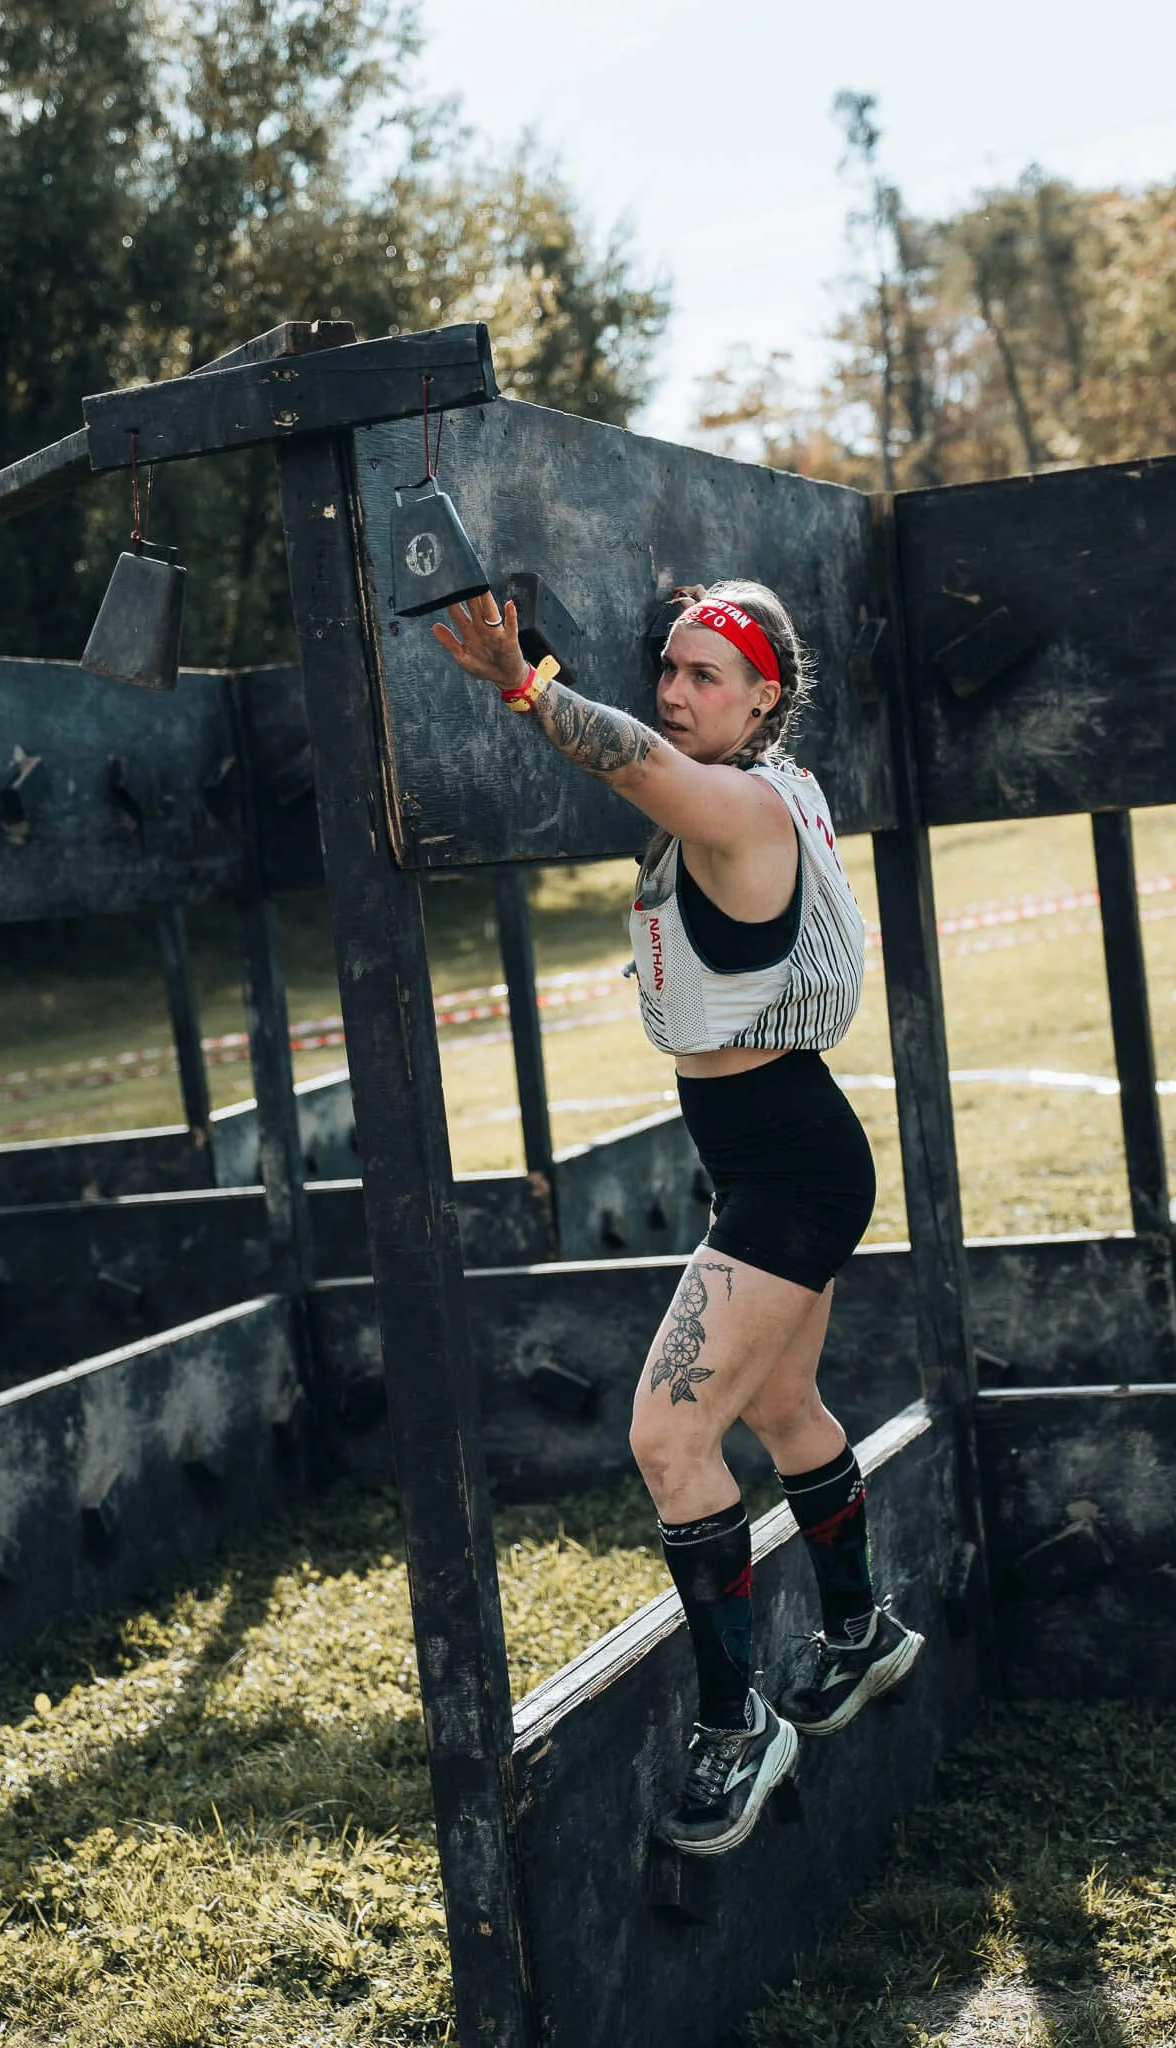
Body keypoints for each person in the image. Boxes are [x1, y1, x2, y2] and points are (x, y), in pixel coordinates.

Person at [432, 579, 923, 1857]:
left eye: (708, 674)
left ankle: (734, 1721)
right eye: (671, 666)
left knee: (668, 1433)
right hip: (779, 1150)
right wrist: (535, 654)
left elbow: (639, 762)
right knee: (781, 1410)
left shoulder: (742, 801)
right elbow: (646, 748)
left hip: (788, 1168)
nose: (674, 690)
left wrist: (527, 683)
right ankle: (862, 1628)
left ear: (766, 699)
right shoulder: (767, 783)